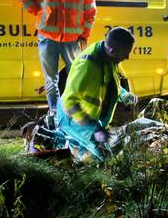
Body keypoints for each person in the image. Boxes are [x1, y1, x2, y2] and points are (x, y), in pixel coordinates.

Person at [13, 0, 97, 111]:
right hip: (47, 39)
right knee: (51, 80)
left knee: (76, 77)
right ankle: (55, 113)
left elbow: (91, 12)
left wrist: (84, 35)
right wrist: (37, 11)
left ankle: (74, 112)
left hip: (72, 41)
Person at [54, 27, 138, 161]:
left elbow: (110, 83)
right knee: (99, 160)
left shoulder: (107, 56)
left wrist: (124, 94)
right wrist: (94, 128)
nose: (127, 57)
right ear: (112, 51)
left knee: (104, 156)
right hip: (74, 122)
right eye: (126, 53)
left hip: (90, 122)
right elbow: (68, 103)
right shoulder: (87, 67)